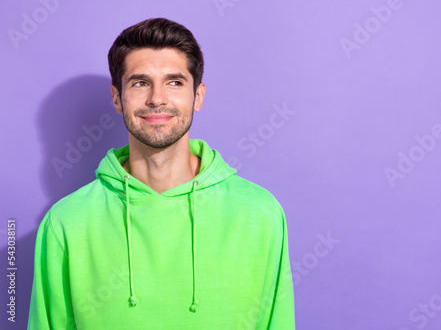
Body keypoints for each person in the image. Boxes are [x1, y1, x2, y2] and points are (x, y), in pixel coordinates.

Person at [28, 18, 295, 329]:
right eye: (140, 82)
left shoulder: (260, 214)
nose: (157, 98)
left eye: (175, 82)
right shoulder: (65, 223)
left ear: (198, 96)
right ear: (117, 98)